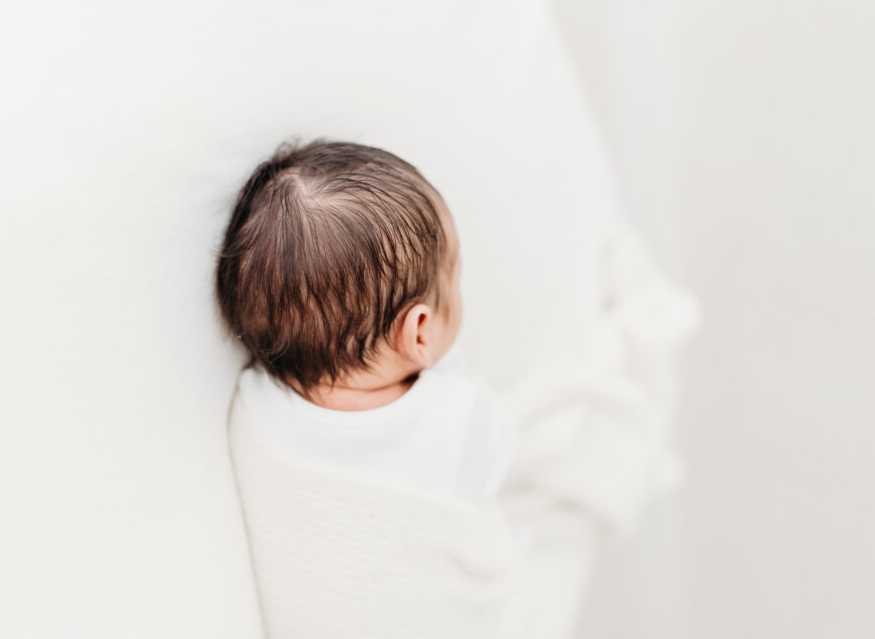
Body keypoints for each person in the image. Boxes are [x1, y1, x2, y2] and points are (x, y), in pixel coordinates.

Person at [215, 140, 694, 638]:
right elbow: (499, 467)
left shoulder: (260, 408)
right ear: (419, 332)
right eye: (455, 274)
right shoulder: (455, 419)